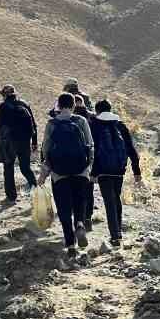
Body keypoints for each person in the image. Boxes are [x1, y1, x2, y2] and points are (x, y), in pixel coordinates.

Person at [40, 92, 95, 254]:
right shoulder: (81, 120)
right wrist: (88, 166)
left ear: (58, 105)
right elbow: (90, 144)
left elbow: (46, 149)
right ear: (73, 105)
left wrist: (45, 172)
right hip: (80, 170)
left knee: (63, 207)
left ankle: (70, 245)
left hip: (59, 173)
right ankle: (80, 223)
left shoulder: (52, 124)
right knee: (80, 201)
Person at [89, 99, 142, 247]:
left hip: (103, 170)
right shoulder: (120, 125)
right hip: (119, 170)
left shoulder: (94, 125)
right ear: (110, 109)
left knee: (109, 201)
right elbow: (131, 149)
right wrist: (136, 171)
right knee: (116, 198)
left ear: (97, 111)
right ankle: (118, 232)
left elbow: (93, 150)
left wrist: (93, 172)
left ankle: (115, 236)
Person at [59, 79, 96, 231]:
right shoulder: (86, 101)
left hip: (65, 155)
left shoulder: (64, 101)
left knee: (69, 187)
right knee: (87, 188)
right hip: (85, 153)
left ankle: (74, 219)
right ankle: (87, 218)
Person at [0, 84, 38, 204]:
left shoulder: (3, 106)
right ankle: (37, 191)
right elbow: (33, 124)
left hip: (9, 142)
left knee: (8, 169)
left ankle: (11, 197)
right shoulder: (24, 104)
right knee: (25, 168)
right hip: (25, 141)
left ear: (5, 95)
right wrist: (34, 142)